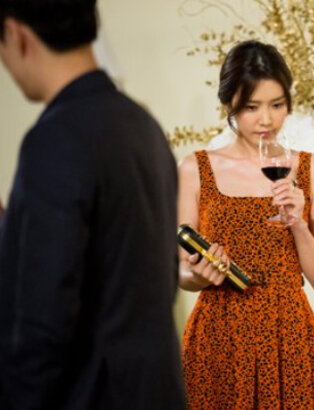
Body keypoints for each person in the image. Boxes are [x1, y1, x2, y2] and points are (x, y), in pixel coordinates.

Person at [0, 1, 185, 409]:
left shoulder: (56, 138)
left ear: (16, 34)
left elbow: (42, 316)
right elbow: (162, 277)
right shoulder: (144, 127)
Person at [178, 40, 314, 409]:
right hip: (218, 336)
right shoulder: (195, 168)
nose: (266, 120)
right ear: (229, 103)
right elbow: (180, 271)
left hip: (289, 337)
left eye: (277, 105)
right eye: (252, 107)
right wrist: (199, 274)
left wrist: (297, 224)